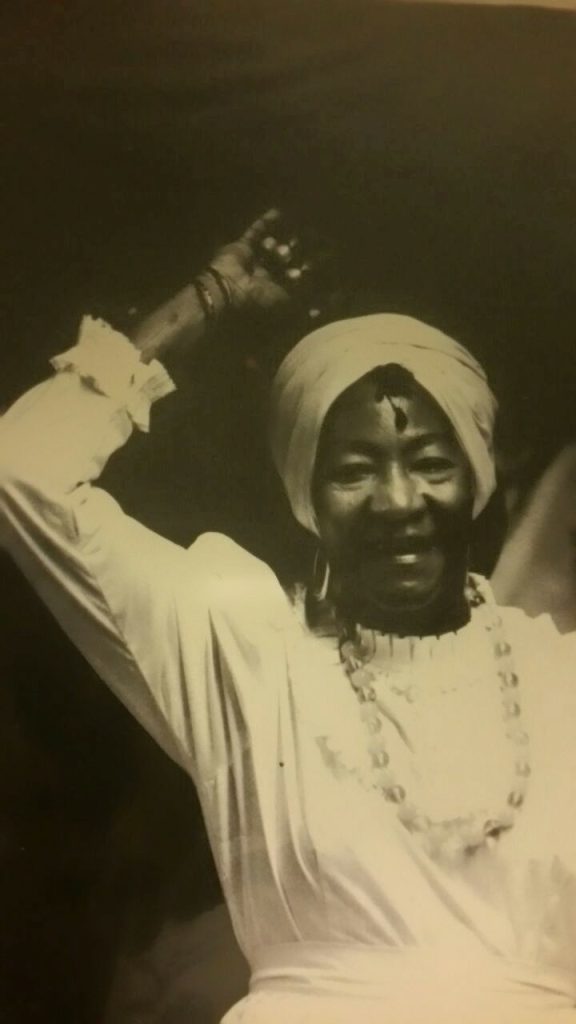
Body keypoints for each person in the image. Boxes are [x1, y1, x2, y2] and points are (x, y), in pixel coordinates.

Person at [1, 209, 576, 1024]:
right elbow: (22, 472)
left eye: (429, 463)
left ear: (477, 480)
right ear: (307, 492)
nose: (398, 501)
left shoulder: (561, 681)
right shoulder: (246, 653)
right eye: (353, 470)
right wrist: (208, 298)